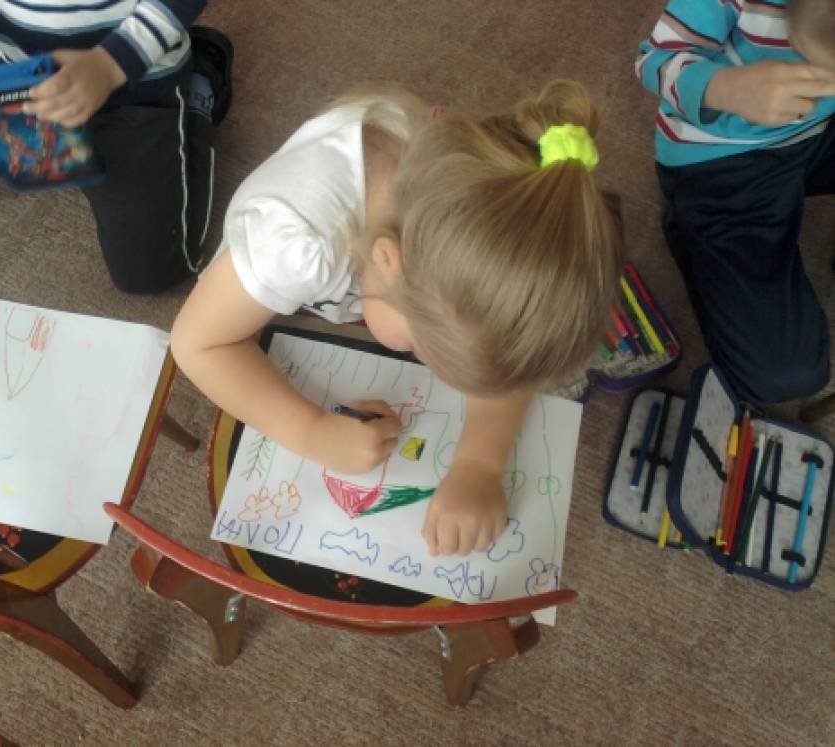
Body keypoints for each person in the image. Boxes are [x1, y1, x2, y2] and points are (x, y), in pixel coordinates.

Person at [171, 81, 624, 557]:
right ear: (386, 262)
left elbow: (502, 346)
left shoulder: (471, 182)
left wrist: (478, 465)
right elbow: (197, 344)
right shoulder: (292, 247)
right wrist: (313, 433)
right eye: (420, 347)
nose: (427, 365)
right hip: (263, 266)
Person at [0, 0, 232, 293]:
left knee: (152, 272)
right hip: (11, 72)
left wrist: (113, 63)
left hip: (134, 87)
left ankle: (198, 86)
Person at [637, 0, 835, 404]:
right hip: (721, 155)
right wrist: (727, 87)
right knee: (786, 373)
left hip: (817, 132)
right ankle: (692, 228)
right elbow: (652, 61)